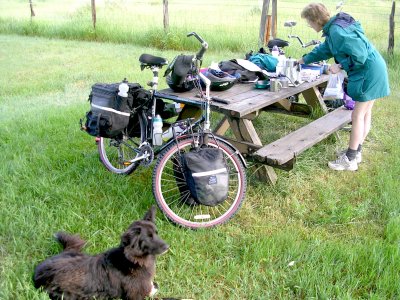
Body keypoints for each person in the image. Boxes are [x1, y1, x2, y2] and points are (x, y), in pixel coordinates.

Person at [298, 3, 390, 171]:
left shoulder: (337, 32)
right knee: (365, 113)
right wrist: (303, 61)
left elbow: (360, 55)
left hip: (368, 71)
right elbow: (324, 50)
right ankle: (356, 152)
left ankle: (349, 159)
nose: (309, 26)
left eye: (309, 22)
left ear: (316, 20)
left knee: (357, 115)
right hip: (375, 67)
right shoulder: (334, 29)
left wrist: (339, 66)